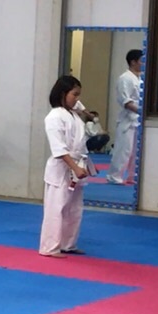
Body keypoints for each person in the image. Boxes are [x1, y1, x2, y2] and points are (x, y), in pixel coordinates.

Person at [40, 75, 92, 258]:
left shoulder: (73, 114)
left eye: (79, 95)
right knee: (56, 209)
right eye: (74, 94)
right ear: (63, 94)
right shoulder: (54, 117)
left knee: (74, 209)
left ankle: (68, 244)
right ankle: (49, 247)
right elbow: (58, 148)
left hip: (77, 164)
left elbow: (79, 107)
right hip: (61, 167)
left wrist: (87, 113)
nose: (77, 99)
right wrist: (75, 168)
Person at [105, 49, 142, 185]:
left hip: (139, 120)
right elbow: (125, 101)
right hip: (128, 119)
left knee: (136, 152)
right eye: (141, 61)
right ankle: (114, 176)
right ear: (133, 62)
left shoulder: (141, 78)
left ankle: (133, 176)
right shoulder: (125, 78)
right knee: (124, 150)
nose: (144, 63)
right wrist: (141, 111)